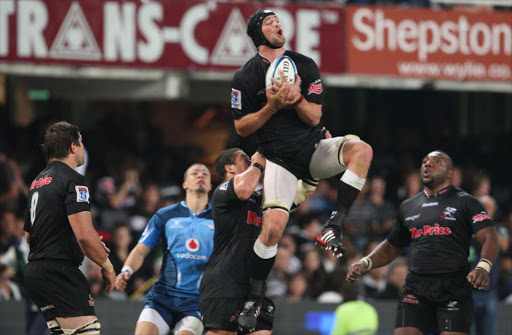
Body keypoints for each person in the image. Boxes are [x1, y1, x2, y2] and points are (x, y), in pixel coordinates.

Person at [232, 9, 372, 329]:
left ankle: (333, 226)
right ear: (257, 34)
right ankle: (254, 297)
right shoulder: (246, 76)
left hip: (312, 151)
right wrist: (272, 106)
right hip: (279, 161)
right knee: (272, 229)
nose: (278, 24)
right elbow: (242, 128)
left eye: (278, 20)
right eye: (269, 22)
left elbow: (314, 117)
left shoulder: (305, 65)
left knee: (362, 150)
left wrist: (295, 100)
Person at [347, 150, 499, 335]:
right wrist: (366, 262)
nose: (428, 164)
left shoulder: (466, 202)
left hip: (453, 288)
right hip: (416, 288)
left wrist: (483, 266)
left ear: (449, 173)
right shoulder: (408, 206)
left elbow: (490, 236)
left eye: (437, 161)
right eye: (425, 161)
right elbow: (392, 245)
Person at [23, 121, 116, 335]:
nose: (83, 148)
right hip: (59, 272)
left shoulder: (37, 182)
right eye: (81, 143)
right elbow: (84, 236)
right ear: (73, 147)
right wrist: (108, 266)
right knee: (87, 331)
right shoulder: (74, 181)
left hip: (36, 272)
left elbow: (30, 236)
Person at [115, 163, 214, 335]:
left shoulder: (220, 219)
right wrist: (127, 270)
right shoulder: (165, 215)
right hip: (162, 299)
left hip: (197, 303)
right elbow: (140, 250)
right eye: (195, 173)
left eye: (205, 174)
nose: (200, 176)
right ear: (185, 184)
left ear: (210, 185)